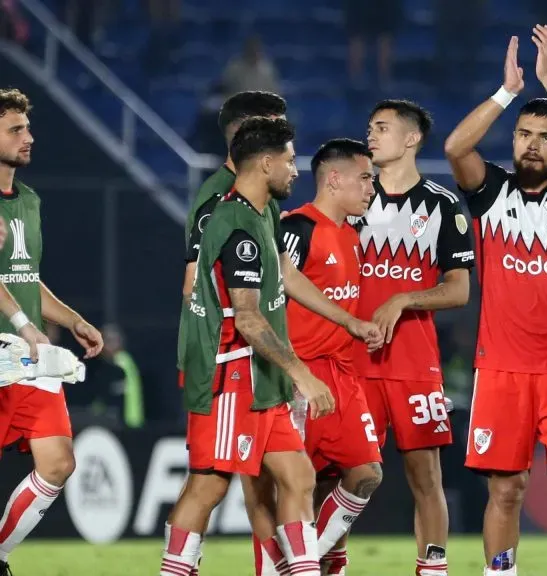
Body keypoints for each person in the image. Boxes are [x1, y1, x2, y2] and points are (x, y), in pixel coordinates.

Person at [445, 27, 547, 576]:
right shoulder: (490, 193)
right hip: (502, 371)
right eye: (523, 134)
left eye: (545, 136)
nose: (531, 144)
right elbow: (455, 148)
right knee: (507, 489)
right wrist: (506, 93)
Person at [164, 117, 336, 576]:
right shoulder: (236, 226)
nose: (296, 170)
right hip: (231, 377)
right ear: (265, 163)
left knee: (299, 477)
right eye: (290, 160)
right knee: (208, 487)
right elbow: (247, 317)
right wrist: (301, 372)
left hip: (261, 379)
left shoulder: (263, 213)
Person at [360, 99, 474, 576]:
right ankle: (326, 565)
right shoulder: (350, 196)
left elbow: (459, 290)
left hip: (413, 361)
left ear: (411, 139)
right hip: (352, 359)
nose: (370, 135)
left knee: (425, 475)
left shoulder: (442, 204)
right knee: (338, 474)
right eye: (370, 127)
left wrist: (404, 298)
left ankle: (433, 569)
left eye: (382, 127)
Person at [0, 88, 104, 576]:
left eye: (27, 127)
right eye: (15, 129)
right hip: (11, 345)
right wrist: (23, 324)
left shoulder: (29, 200)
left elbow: (25, 278)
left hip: (26, 355)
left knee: (59, 462)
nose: (29, 137)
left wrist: (73, 320)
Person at [280, 138, 383, 576]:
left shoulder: (352, 234)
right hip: (299, 375)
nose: (371, 188)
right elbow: (274, 290)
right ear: (334, 178)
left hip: (342, 374)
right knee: (294, 487)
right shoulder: (298, 227)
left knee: (366, 473)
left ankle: (299, 564)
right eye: (365, 178)